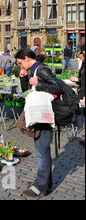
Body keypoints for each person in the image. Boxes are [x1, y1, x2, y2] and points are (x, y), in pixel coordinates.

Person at [16, 48, 64, 198]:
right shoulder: (33, 71)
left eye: (20, 63)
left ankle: (40, 188)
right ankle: (45, 183)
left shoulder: (41, 70)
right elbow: (27, 94)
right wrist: (23, 77)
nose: (20, 66)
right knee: (42, 151)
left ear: (26, 58)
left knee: (42, 153)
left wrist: (39, 84)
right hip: (40, 115)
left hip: (44, 116)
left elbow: (58, 87)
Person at [69, 44, 85, 144]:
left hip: (84, 94)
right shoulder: (83, 64)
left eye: (81, 57)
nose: (80, 59)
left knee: (84, 111)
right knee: (83, 112)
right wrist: (77, 81)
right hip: (82, 92)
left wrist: (77, 79)